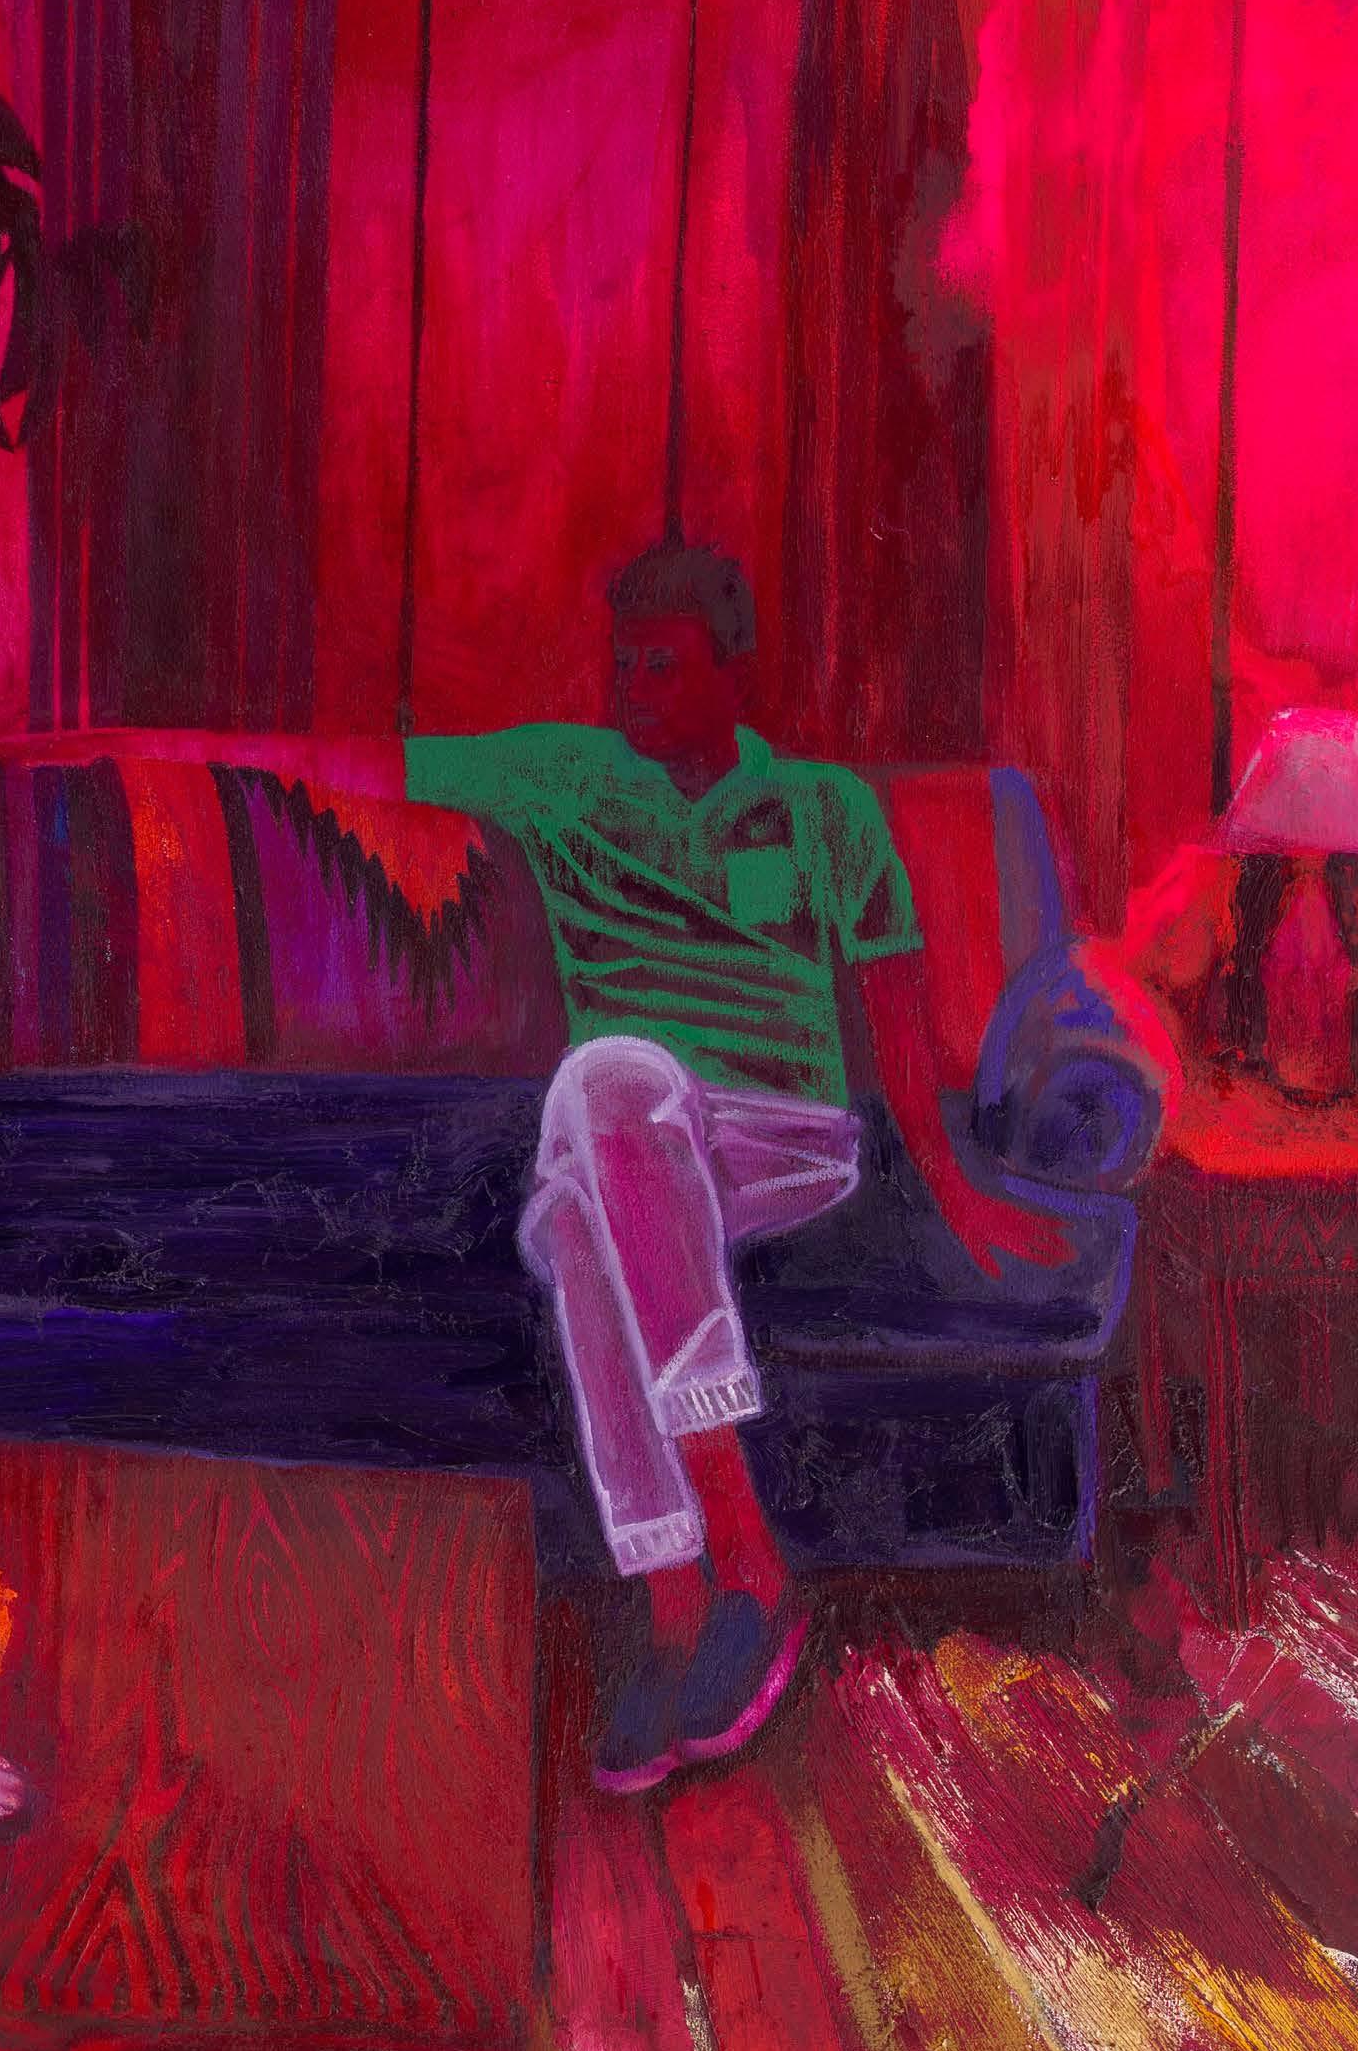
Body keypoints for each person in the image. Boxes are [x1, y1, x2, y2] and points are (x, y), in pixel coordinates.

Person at [406, 539, 1068, 1791]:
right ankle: (683, 1594)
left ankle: (733, 1566)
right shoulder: (565, 776)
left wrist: (954, 1187)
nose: (633, 688)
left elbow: (893, 1010)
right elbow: (359, 765)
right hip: (627, 1139)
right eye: (622, 664)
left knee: (598, 1106)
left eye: (663, 665)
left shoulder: (823, 808)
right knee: (595, 1149)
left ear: (732, 673)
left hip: (783, 1140)